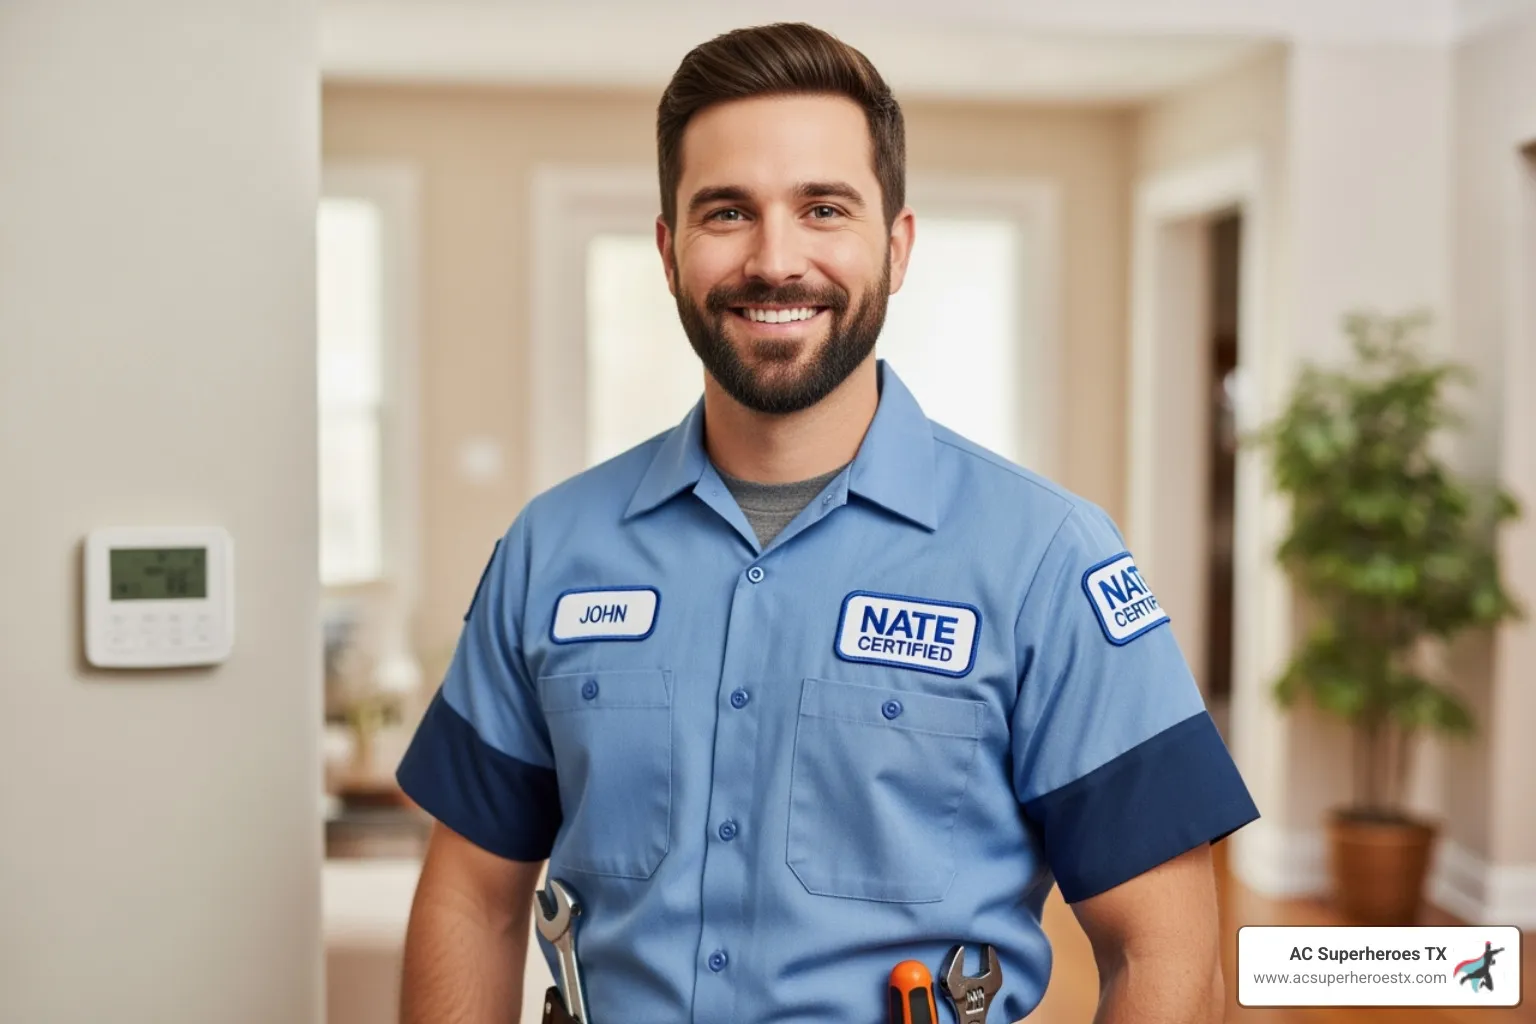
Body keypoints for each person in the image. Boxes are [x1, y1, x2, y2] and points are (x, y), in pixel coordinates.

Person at [396, 21, 1259, 1023]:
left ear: (895, 246)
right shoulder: (551, 550)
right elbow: (475, 902)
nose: (776, 259)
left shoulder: (1047, 560)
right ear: (671, 252)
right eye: (728, 212)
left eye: (823, 208)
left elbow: (1167, 953)